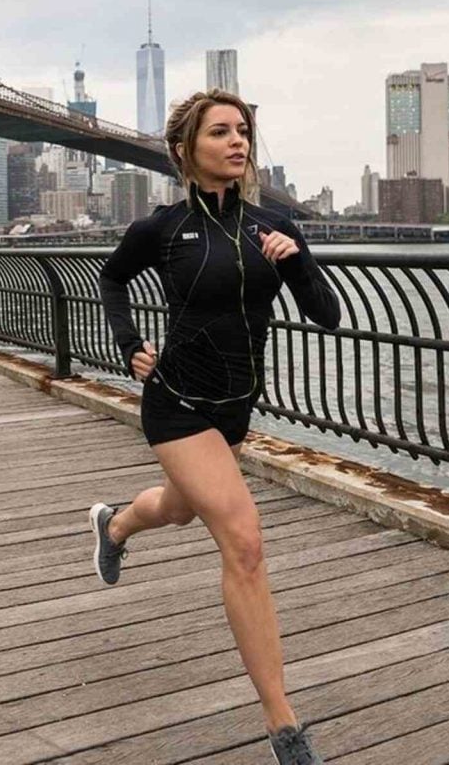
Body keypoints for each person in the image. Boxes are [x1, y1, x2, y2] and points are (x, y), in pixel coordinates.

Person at [91, 88, 340, 765]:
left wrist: (298, 261)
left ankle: (115, 523)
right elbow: (113, 281)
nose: (238, 143)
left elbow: (328, 315)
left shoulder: (272, 226)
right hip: (174, 401)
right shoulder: (162, 228)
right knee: (244, 541)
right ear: (185, 150)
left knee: (177, 508)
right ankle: (283, 726)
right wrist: (128, 342)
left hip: (235, 407)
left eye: (244, 132)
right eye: (222, 132)